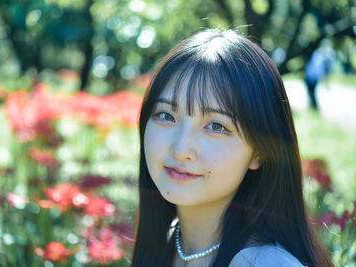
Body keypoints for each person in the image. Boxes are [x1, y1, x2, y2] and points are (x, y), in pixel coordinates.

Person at [131, 29, 334, 267]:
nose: (180, 148)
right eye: (166, 115)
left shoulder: (264, 263)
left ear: (259, 151)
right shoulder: (165, 243)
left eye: (216, 126)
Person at [304, 41, 335, 110]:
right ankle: (313, 105)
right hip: (310, 74)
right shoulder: (318, 53)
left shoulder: (323, 55)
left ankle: (314, 106)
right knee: (310, 91)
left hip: (313, 75)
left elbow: (326, 68)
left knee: (311, 90)